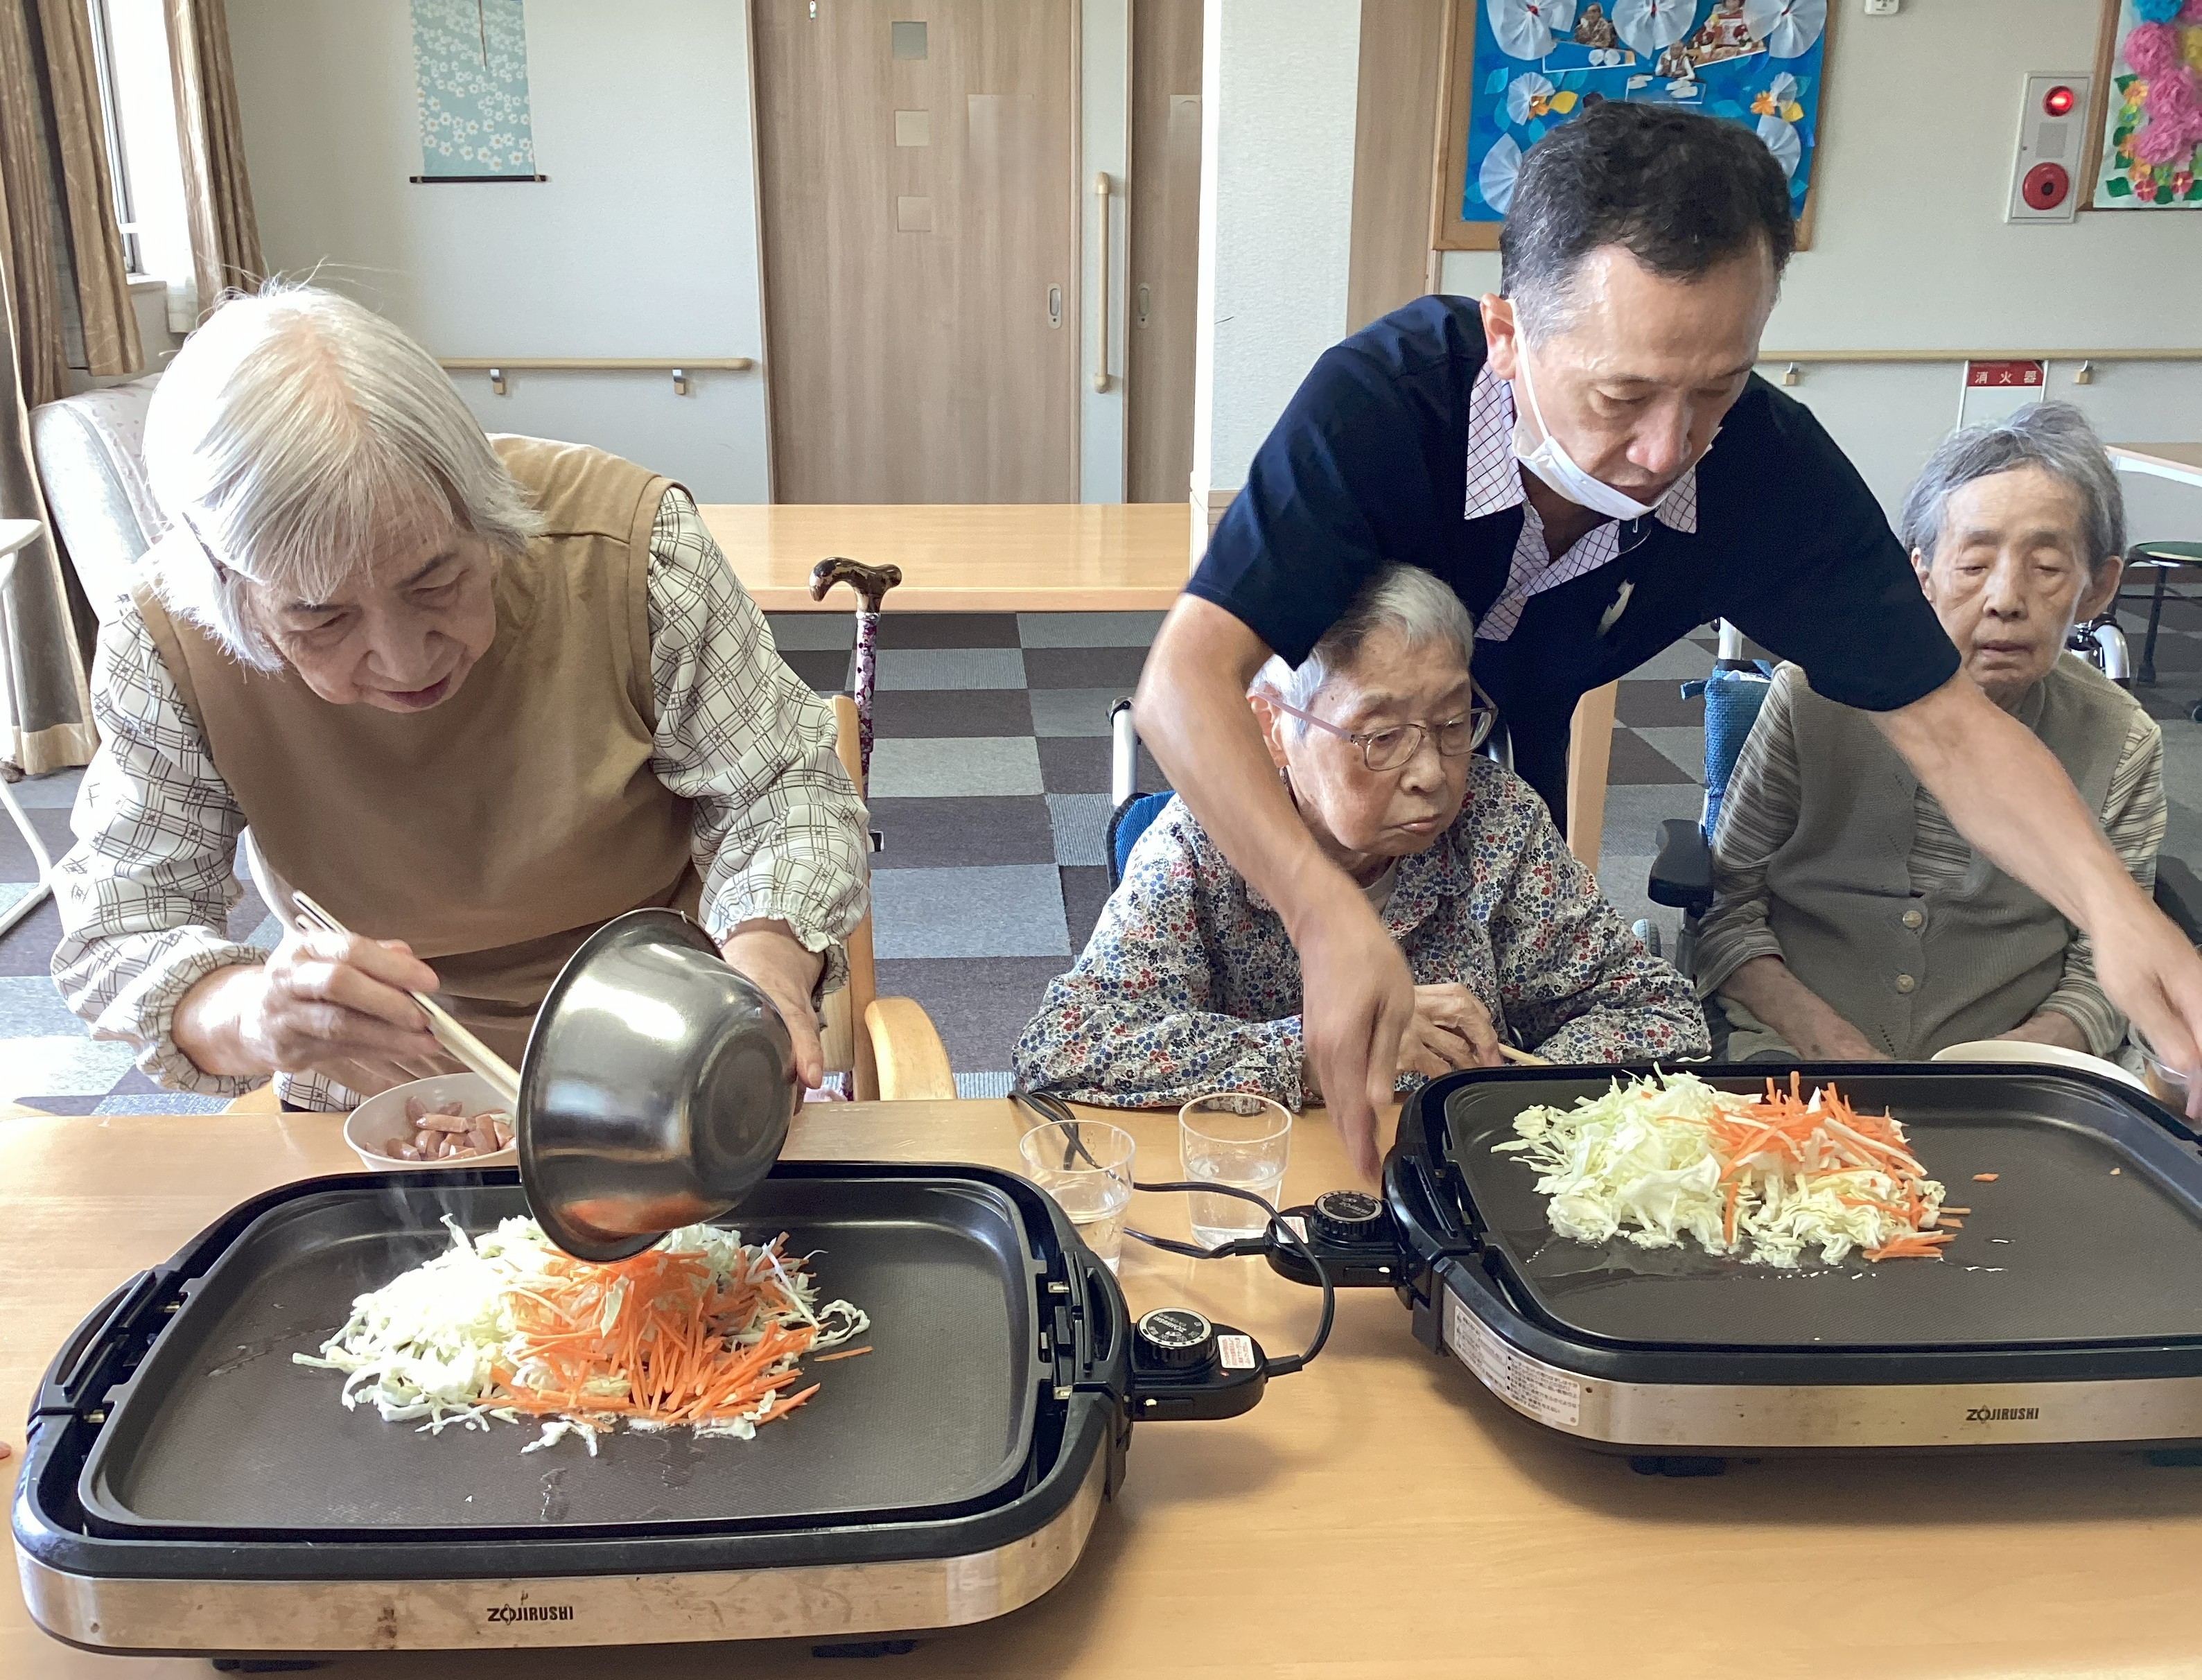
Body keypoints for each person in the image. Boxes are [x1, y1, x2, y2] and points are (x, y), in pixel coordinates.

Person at [1133, 99, 2202, 1178]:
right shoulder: (1385, 405)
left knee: (1523, 1020)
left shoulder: (1764, 468)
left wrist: (2120, 920)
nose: (1664, 450)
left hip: (1517, 754)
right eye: (1621, 393)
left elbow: (1952, 730)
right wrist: (1318, 914)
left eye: (1716, 390)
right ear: (1508, 337)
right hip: (1346, 748)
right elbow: (1186, 684)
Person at [53, 283, 869, 1110]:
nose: (404, 660)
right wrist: (249, 1014)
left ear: (485, 512)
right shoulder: (167, 635)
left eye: (436, 579)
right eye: (322, 616)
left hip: (667, 1052)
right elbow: (122, 926)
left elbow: (781, 791)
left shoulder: (630, 548)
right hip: (379, 1097)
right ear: (230, 585)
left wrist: (765, 954)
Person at [1013, 566, 1705, 1107]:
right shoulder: (1202, 842)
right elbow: (1066, 1046)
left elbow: (1663, 1017)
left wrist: (1519, 1085)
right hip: (1266, 1194)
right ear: (1272, 728)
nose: (1433, 774)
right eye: (1381, 737)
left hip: (1454, 1188)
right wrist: (1317, 1054)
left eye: (1455, 721)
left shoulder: (1499, 825)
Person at [1699, 405, 2163, 1063]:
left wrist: (2015, 1061)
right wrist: (1825, 1040)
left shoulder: (2121, 739)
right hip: (1792, 1051)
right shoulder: (1812, 698)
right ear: (1920, 576)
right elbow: (1727, 909)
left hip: (2014, 1077)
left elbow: (2107, 966)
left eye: (2047, 568)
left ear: (2099, 588)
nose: (2005, 598)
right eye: (1973, 565)